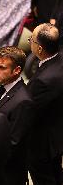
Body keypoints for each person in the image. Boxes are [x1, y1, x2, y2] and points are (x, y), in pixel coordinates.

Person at [0, 46, 34, 185]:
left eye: (1, 67)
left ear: (16, 70)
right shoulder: (2, 84)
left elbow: (13, 143)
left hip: (8, 173)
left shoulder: (23, 101)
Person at [27, 23, 63, 185]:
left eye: (31, 40)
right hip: (58, 131)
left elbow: (28, 111)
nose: (29, 42)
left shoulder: (42, 81)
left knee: (45, 178)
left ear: (40, 49)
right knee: (56, 173)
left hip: (43, 144)